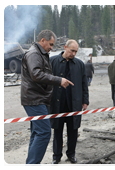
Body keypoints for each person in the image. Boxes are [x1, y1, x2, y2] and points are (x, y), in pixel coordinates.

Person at [21, 29, 73, 166]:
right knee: (44, 132)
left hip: (37, 99)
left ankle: (31, 164)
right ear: (42, 40)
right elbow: (36, 74)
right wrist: (58, 80)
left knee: (36, 133)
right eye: (50, 44)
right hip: (34, 100)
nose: (51, 48)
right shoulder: (34, 54)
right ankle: (33, 165)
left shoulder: (40, 53)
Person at [49, 39, 89, 166]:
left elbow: (84, 84)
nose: (74, 54)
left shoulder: (79, 64)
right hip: (57, 103)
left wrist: (85, 101)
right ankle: (56, 156)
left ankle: (71, 154)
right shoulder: (52, 61)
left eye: (76, 52)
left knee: (73, 131)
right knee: (57, 131)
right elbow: (46, 81)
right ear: (65, 47)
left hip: (74, 104)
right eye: (72, 51)